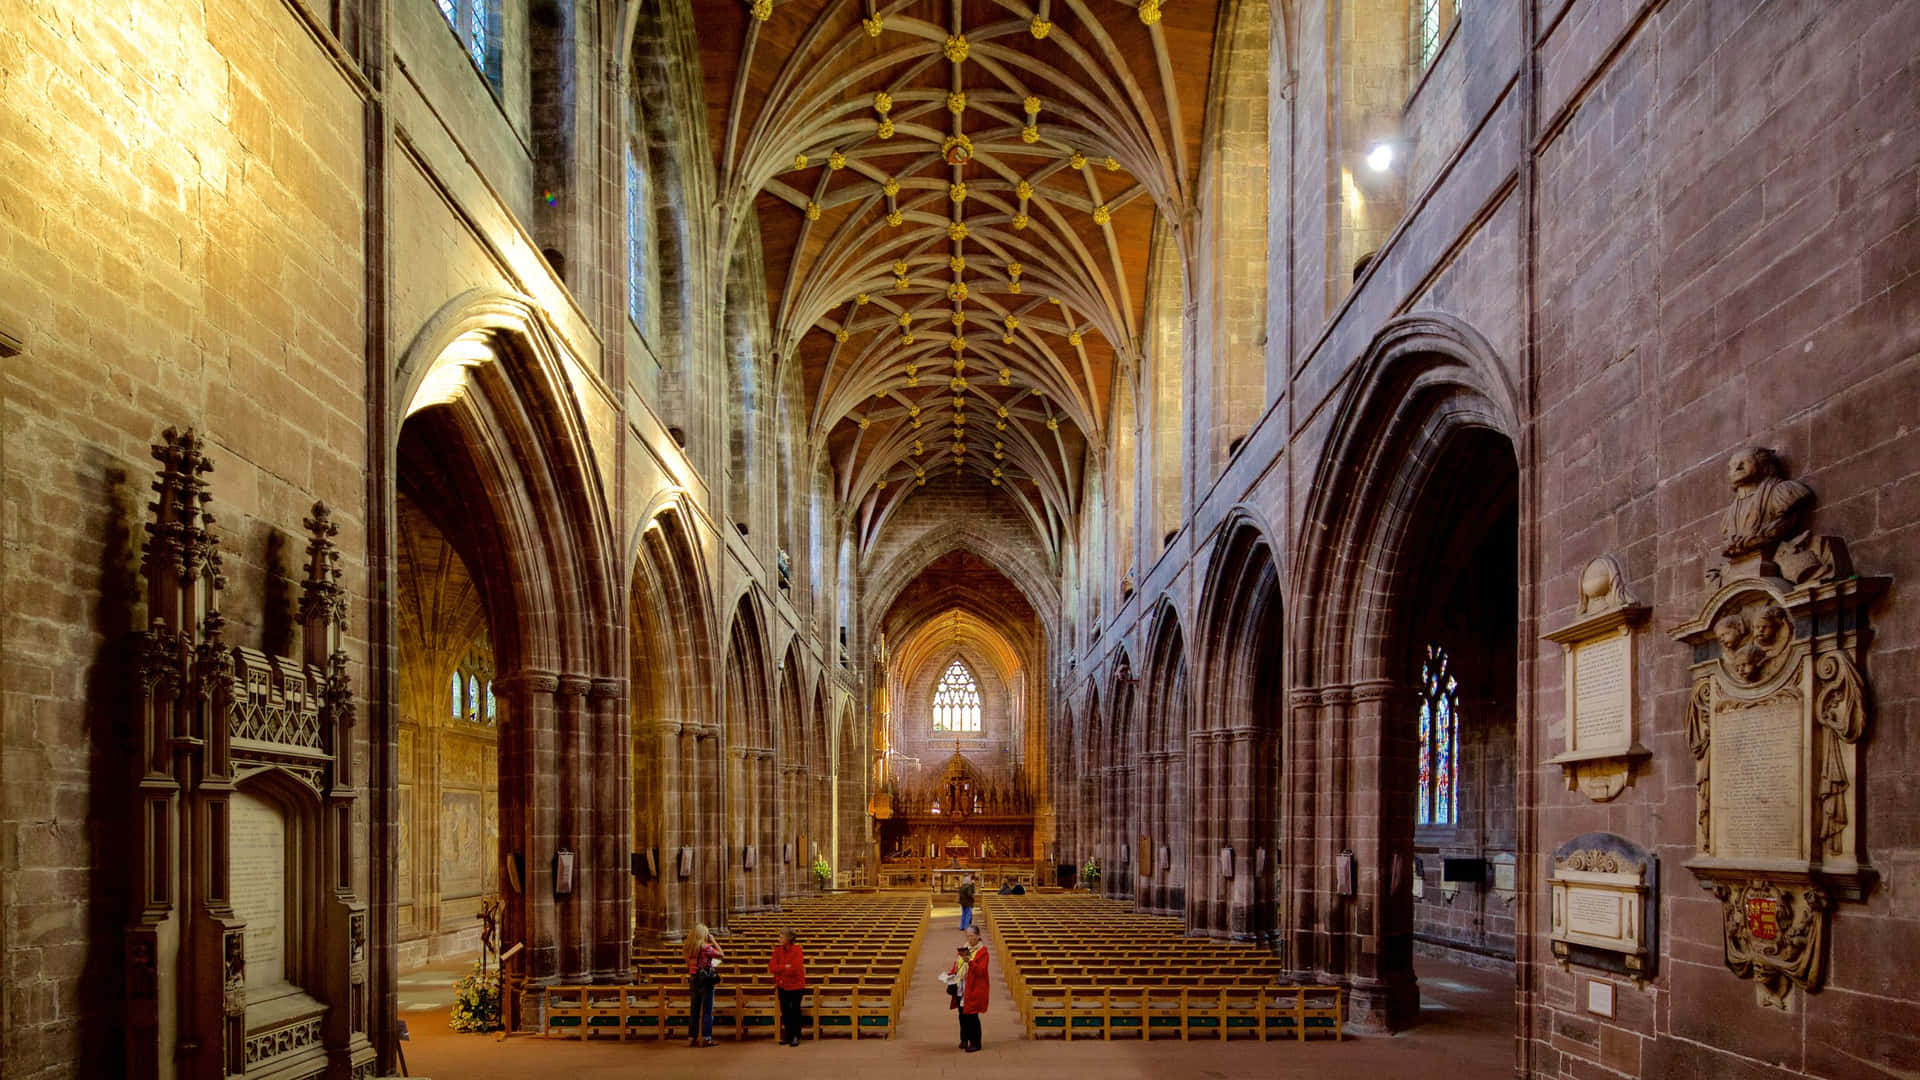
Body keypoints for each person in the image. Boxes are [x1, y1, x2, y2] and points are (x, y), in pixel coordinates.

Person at [685, 922, 723, 1047]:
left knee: (694, 1010)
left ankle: (692, 1037)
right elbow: (721, 954)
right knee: (707, 1010)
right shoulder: (705, 947)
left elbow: (689, 964)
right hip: (705, 980)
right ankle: (707, 1038)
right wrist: (714, 940)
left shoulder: (688, 947)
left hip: (693, 978)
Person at [769, 927, 807, 1046]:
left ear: (789, 938)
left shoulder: (797, 950)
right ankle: (788, 1035)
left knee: (795, 1010)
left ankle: (796, 1035)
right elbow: (772, 967)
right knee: (785, 1010)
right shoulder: (777, 951)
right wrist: (785, 967)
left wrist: (781, 969)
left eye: (781, 936)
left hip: (796, 985)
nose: (779, 938)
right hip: (782, 985)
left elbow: (795, 968)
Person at [958, 925, 989, 1052]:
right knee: (962, 1015)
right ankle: (964, 1039)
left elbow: (981, 971)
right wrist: (951, 974)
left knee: (972, 1016)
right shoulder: (965, 948)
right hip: (963, 986)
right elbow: (958, 964)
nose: (969, 938)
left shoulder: (983, 952)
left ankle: (976, 1043)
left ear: (978, 936)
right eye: (968, 936)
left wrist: (970, 961)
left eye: (971, 936)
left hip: (975, 988)